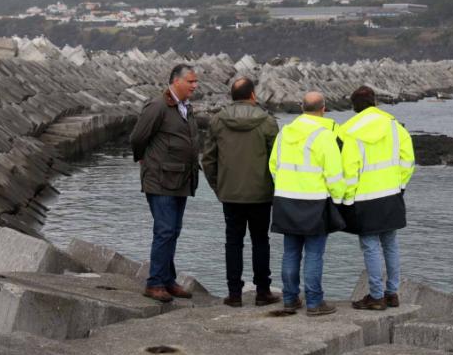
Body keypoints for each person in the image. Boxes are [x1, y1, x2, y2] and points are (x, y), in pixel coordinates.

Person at [202, 77, 282, 307]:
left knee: (233, 242)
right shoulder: (267, 122)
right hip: (260, 194)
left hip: (230, 194)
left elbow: (208, 159)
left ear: (232, 97)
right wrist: (274, 188)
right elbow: (277, 160)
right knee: (261, 241)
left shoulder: (218, 121)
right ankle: (263, 291)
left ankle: (234, 293)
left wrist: (219, 187)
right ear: (253, 95)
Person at [338, 85, 415, 311]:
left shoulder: (348, 131)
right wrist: (400, 185)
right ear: (375, 102)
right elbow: (408, 160)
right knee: (390, 244)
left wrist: (347, 199)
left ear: (354, 107)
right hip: (391, 194)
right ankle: (392, 293)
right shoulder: (394, 126)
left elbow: (349, 170)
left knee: (370, 246)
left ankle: (376, 295)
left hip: (364, 197)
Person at [269, 91, 346, 316]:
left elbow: (273, 165)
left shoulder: (284, 132)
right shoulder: (324, 136)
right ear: (323, 109)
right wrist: (340, 199)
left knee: (290, 252)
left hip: (285, 200)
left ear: (301, 108)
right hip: (314, 203)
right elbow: (334, 174)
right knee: (314, 254)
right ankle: (314, 302)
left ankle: (290, 299)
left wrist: (285, 185)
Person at [129, 63, 200, 303]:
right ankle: (155, 283)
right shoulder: (158, 106)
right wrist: (142, 158)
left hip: (180, 179)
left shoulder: (185, 108)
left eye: (195, 81)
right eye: (190, 81)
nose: (194, 85)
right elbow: (138, 137)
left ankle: (168, 280)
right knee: (165, 230)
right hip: (160, 179)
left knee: (173, 231)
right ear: (176, 81)